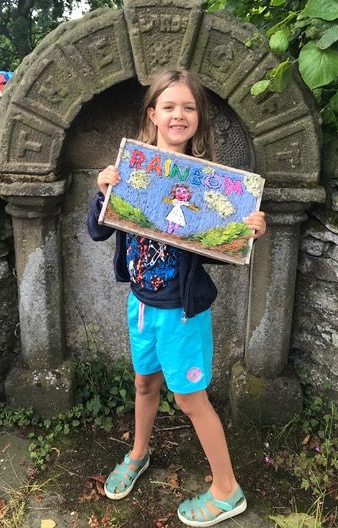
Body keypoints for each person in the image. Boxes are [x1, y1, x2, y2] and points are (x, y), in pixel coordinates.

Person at [87, 69, 266, 527]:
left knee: (190, 399)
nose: (178, 115)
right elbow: (97, 230)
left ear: (198, 119)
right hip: (141, 305)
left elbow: (218, 252)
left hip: (181, 313)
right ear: (153, 114)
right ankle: (138, 453)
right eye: (168, 107)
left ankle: (227, 491)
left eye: (188, 107)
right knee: (144, 383)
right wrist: (102, 191)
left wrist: (245, 233)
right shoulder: (133, 169)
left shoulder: (211, 185)